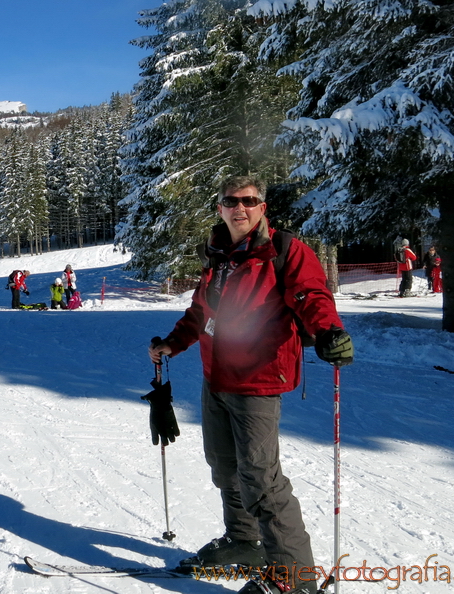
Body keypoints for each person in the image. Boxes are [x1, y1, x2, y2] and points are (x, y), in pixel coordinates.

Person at [148, 176, 353, 594]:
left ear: (262, 206)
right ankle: (244, 543)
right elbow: (201, 310)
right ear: (220, 207)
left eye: (248, 201)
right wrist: (173, 343)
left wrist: (329, 331)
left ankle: (295, 579)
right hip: (216, 375)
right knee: (224, 467)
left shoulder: (283, 250)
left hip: (259, 379)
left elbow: (311, 295)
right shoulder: (219, 253)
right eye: (230, 201)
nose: (239, 208)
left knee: (261, 478)